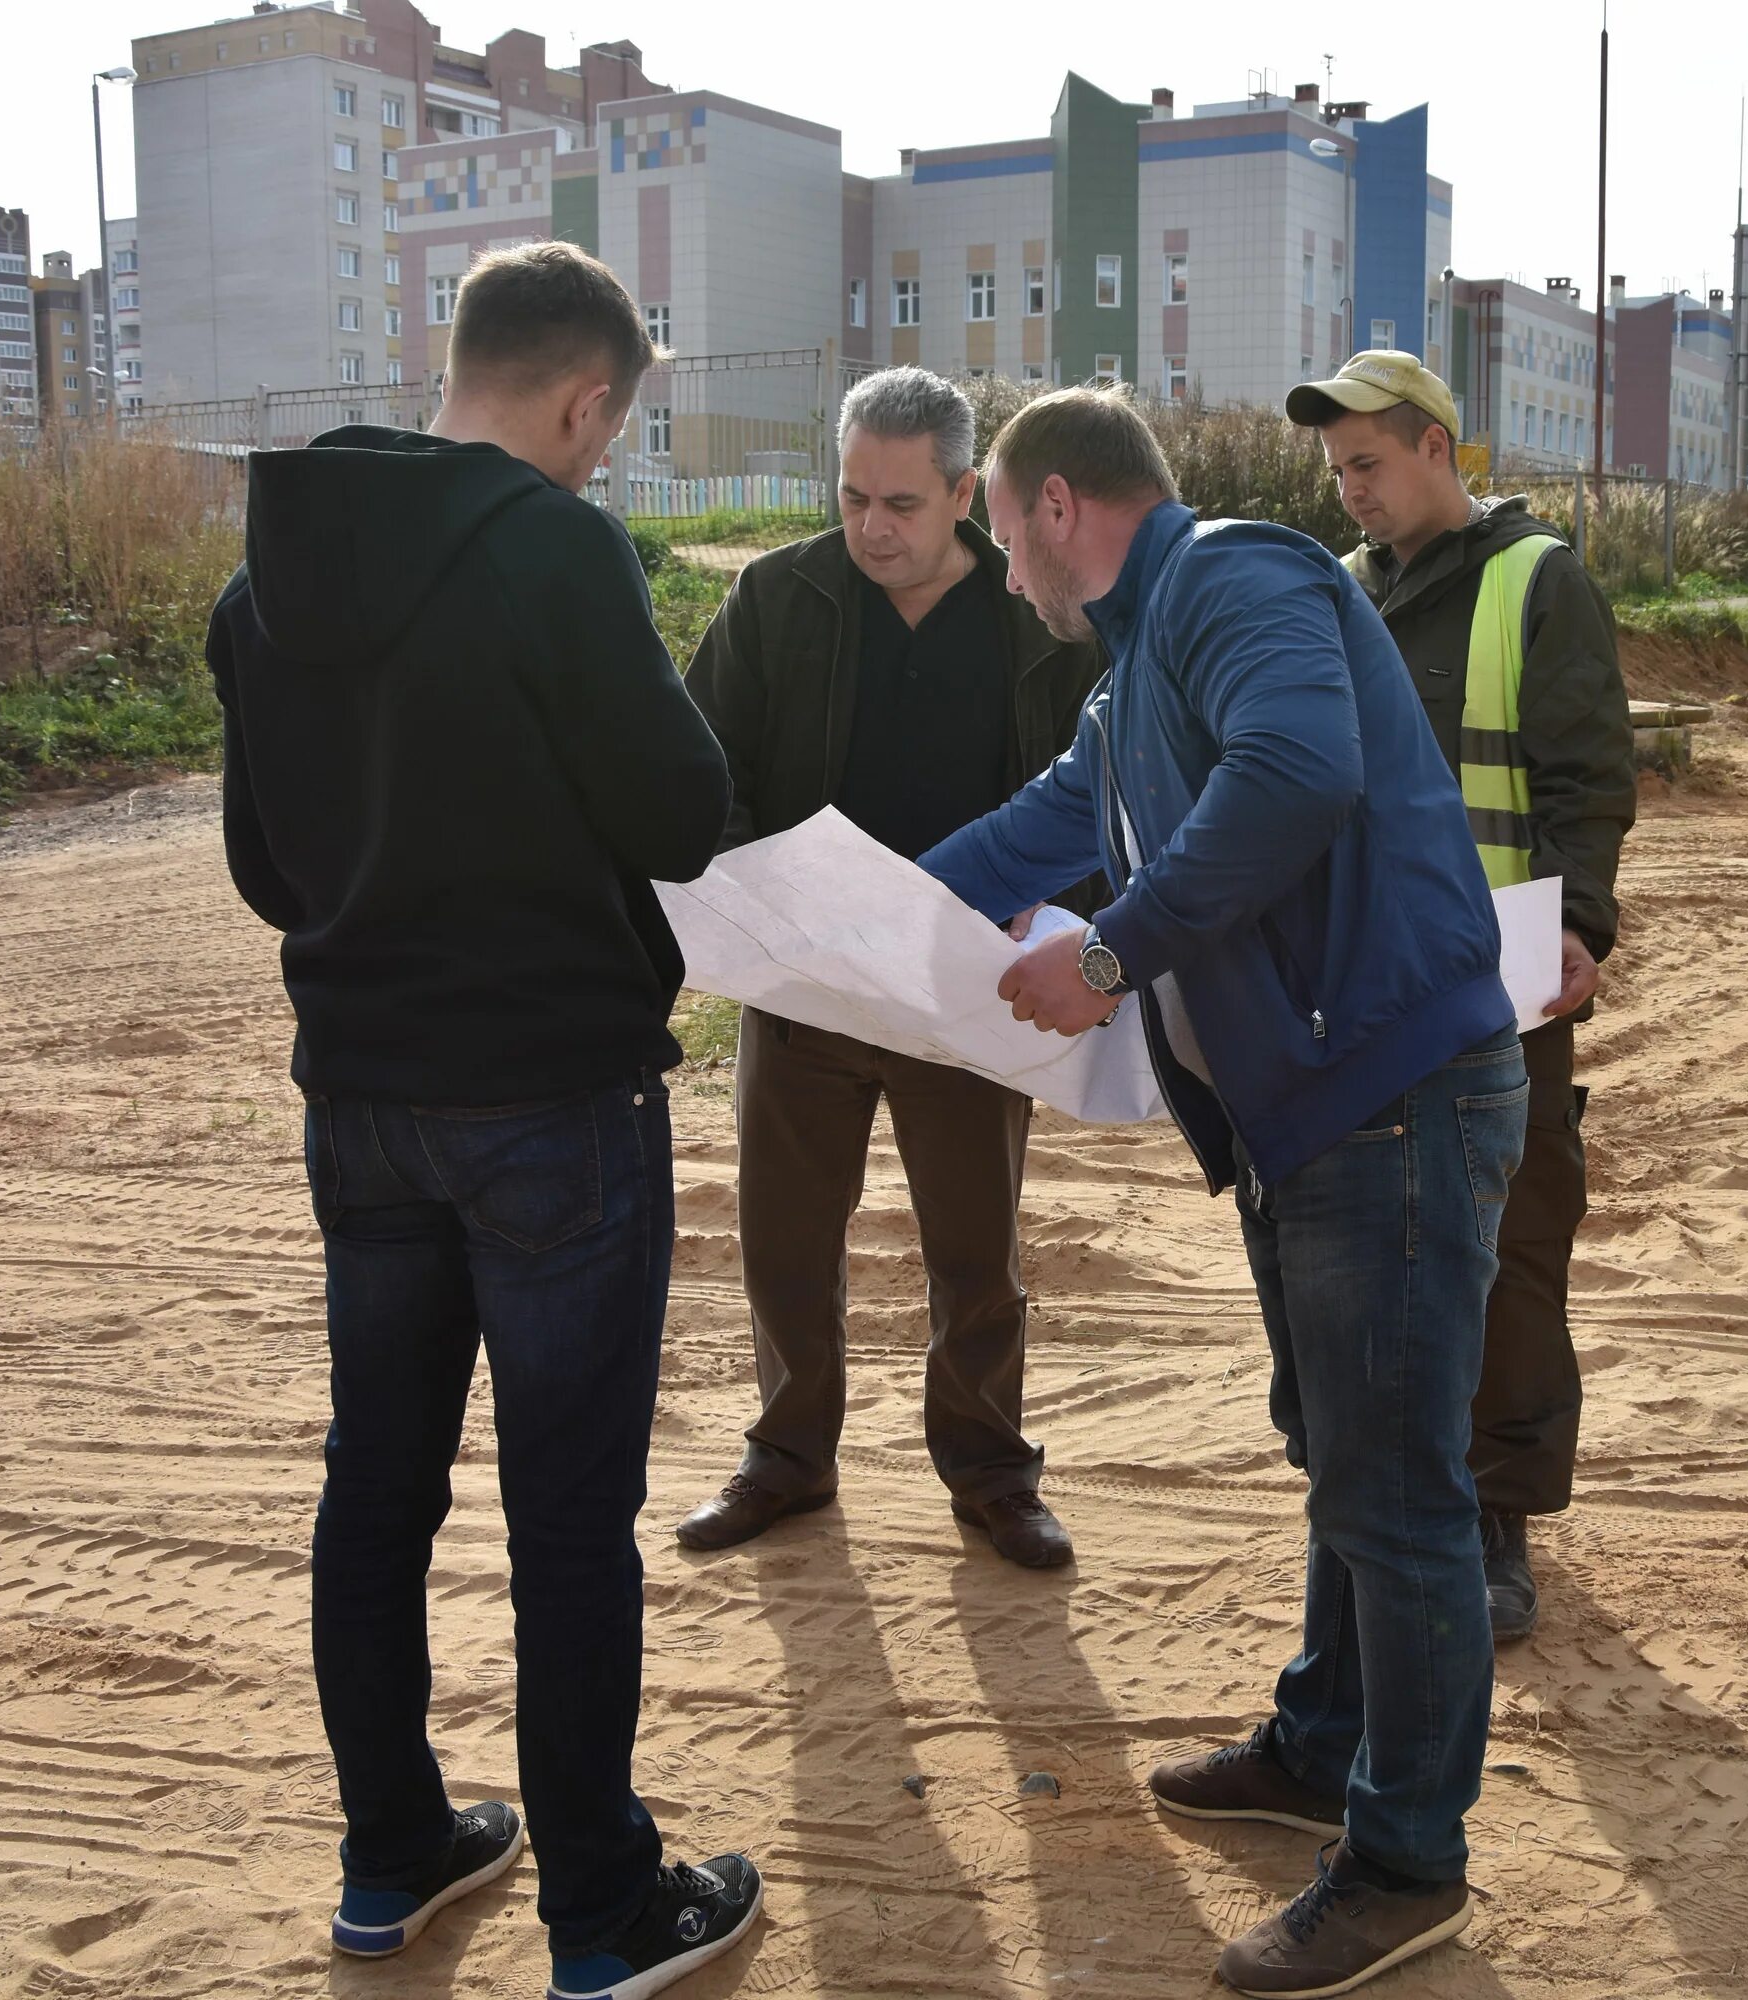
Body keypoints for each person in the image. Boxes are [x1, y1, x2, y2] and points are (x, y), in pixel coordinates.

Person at [920, 388, 1528, 1999]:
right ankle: (1326, 1744)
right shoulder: (1129, 689)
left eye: (997, 530)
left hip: (1391, 1097)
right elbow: (1038, 833)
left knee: (1398, 1500)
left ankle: (1408, 1865)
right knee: (1341, 1456)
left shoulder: (1238, 579)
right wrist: (845, 918)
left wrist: (1112, 950)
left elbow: (1299, 772)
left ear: (1060, 506)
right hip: (1315, 1119)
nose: (998, 575)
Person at [208, 238, 764, 2000]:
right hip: (547, 1106)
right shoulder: (555, 550)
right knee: (566, 1520)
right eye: (610, 429)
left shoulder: (267, 577)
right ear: (585, 398)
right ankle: (601, 1914)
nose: (604, 459)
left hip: (360, 1100)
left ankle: (394, 1855)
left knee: (375, 1489)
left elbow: (257, 865)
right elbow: (681, 810)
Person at [669, 367, 1104, 1568]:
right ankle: (787, 1455)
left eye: (904, 503)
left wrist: (1060, 926)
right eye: (855, 495)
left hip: (967, 986)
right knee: (786, 1233)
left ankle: (991, 1472)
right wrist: (762, 900)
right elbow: (705, 765)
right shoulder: (778, 595)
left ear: (968, 492)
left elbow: (1105, 790)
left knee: (976, 1248)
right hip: (805, 979)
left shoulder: (1038, 619)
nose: (873, 526)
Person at [1291, 351, 1636, 1646]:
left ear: (1440, 449)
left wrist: (1581, 922)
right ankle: (1387, 1498)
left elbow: (1587, 776)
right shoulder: (1333, 596)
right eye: (1336, 476)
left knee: (1507, 1259)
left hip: (1501, 983)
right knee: (1378, 1258)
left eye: (1368, 466)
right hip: (1361, 985)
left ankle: (1498, 1518)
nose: (1352, 495)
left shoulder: (1536, 584)